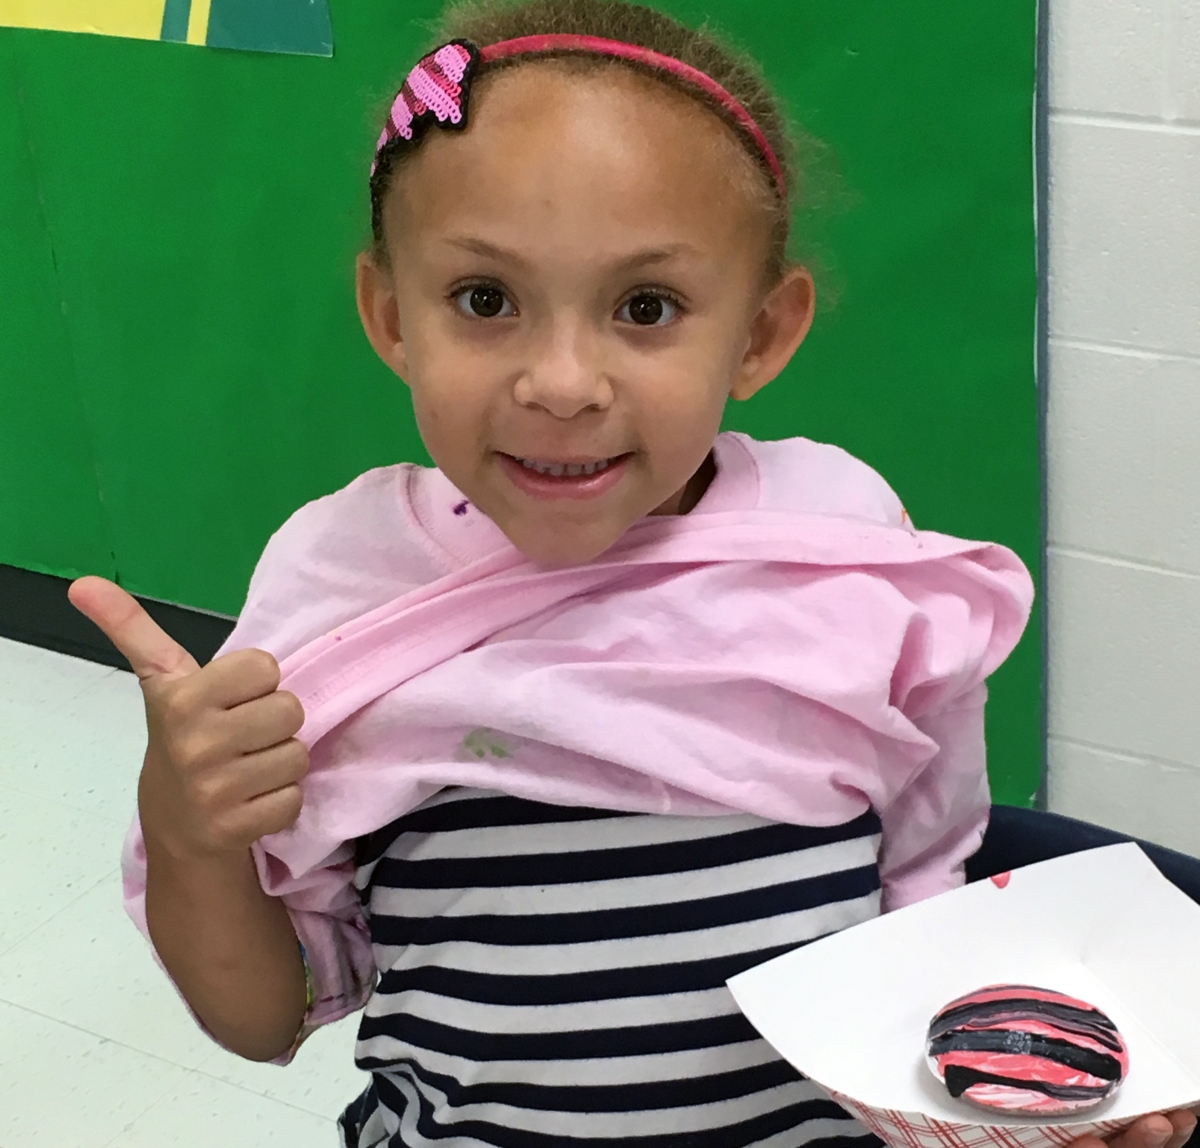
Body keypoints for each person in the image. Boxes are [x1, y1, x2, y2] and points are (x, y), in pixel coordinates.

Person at [69, 2, 1199, 1146]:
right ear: (389, 315)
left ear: (760, 334)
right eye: (485, 300)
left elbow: (923, 909)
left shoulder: (843, 551)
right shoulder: (341, 586)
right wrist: (191, 831)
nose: (562, 382)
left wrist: (1027, 1101)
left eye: (646, 307)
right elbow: (265, 1015)